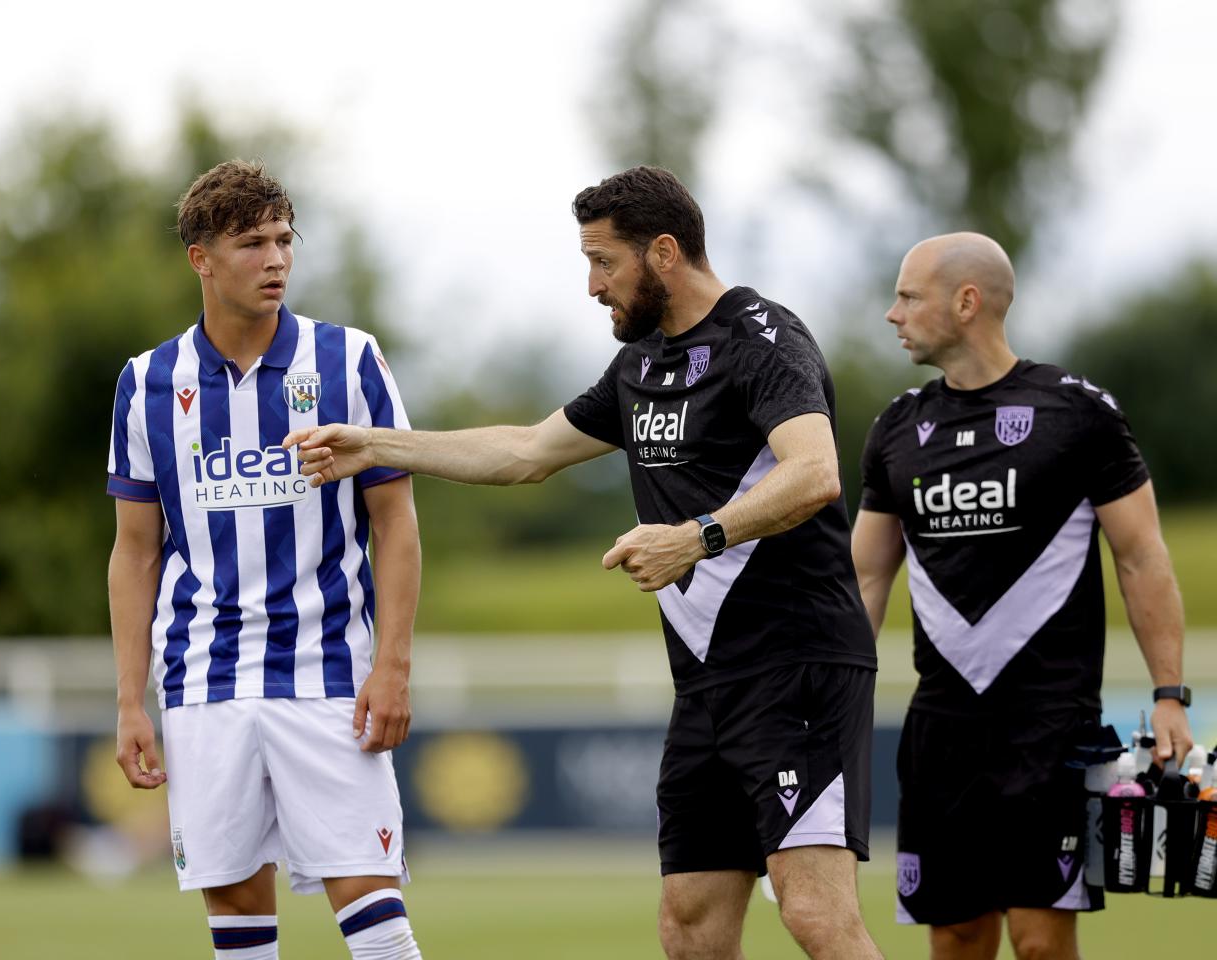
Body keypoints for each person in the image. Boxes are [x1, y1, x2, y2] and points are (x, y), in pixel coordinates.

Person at [284, 166, 883, 960]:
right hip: (707, 683)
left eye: (604, 261)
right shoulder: (642, 367)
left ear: (663, 252)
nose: (592, 285)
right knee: (691, 928)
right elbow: (527, 451)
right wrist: (377, 445)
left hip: (796, 665)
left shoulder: (761, 338)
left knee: (815, 917)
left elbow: (815, 473)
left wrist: (695, 536)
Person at [106, 160, 423, 960]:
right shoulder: (146, 382)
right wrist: (128, 700)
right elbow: (136, 551)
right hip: (203, 678)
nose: (277, 259)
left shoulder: (349, 361)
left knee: (375, 912)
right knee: (239, 927)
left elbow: (396, 524)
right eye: (253, 243)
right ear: (200, 259)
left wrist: (392, 665)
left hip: (326, 673)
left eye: (286, 240)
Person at [851, 232, 1194, 960]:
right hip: (941, 731)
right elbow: (867, 575)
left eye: (908, 296)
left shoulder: (1079, 413)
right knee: (959, 937)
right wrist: (832, 697)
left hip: (1051, 728)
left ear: (966, 302)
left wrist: (1171, 693)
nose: (893, 314)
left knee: (1040, 942)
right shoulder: (896, 429)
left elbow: (1142, 558)